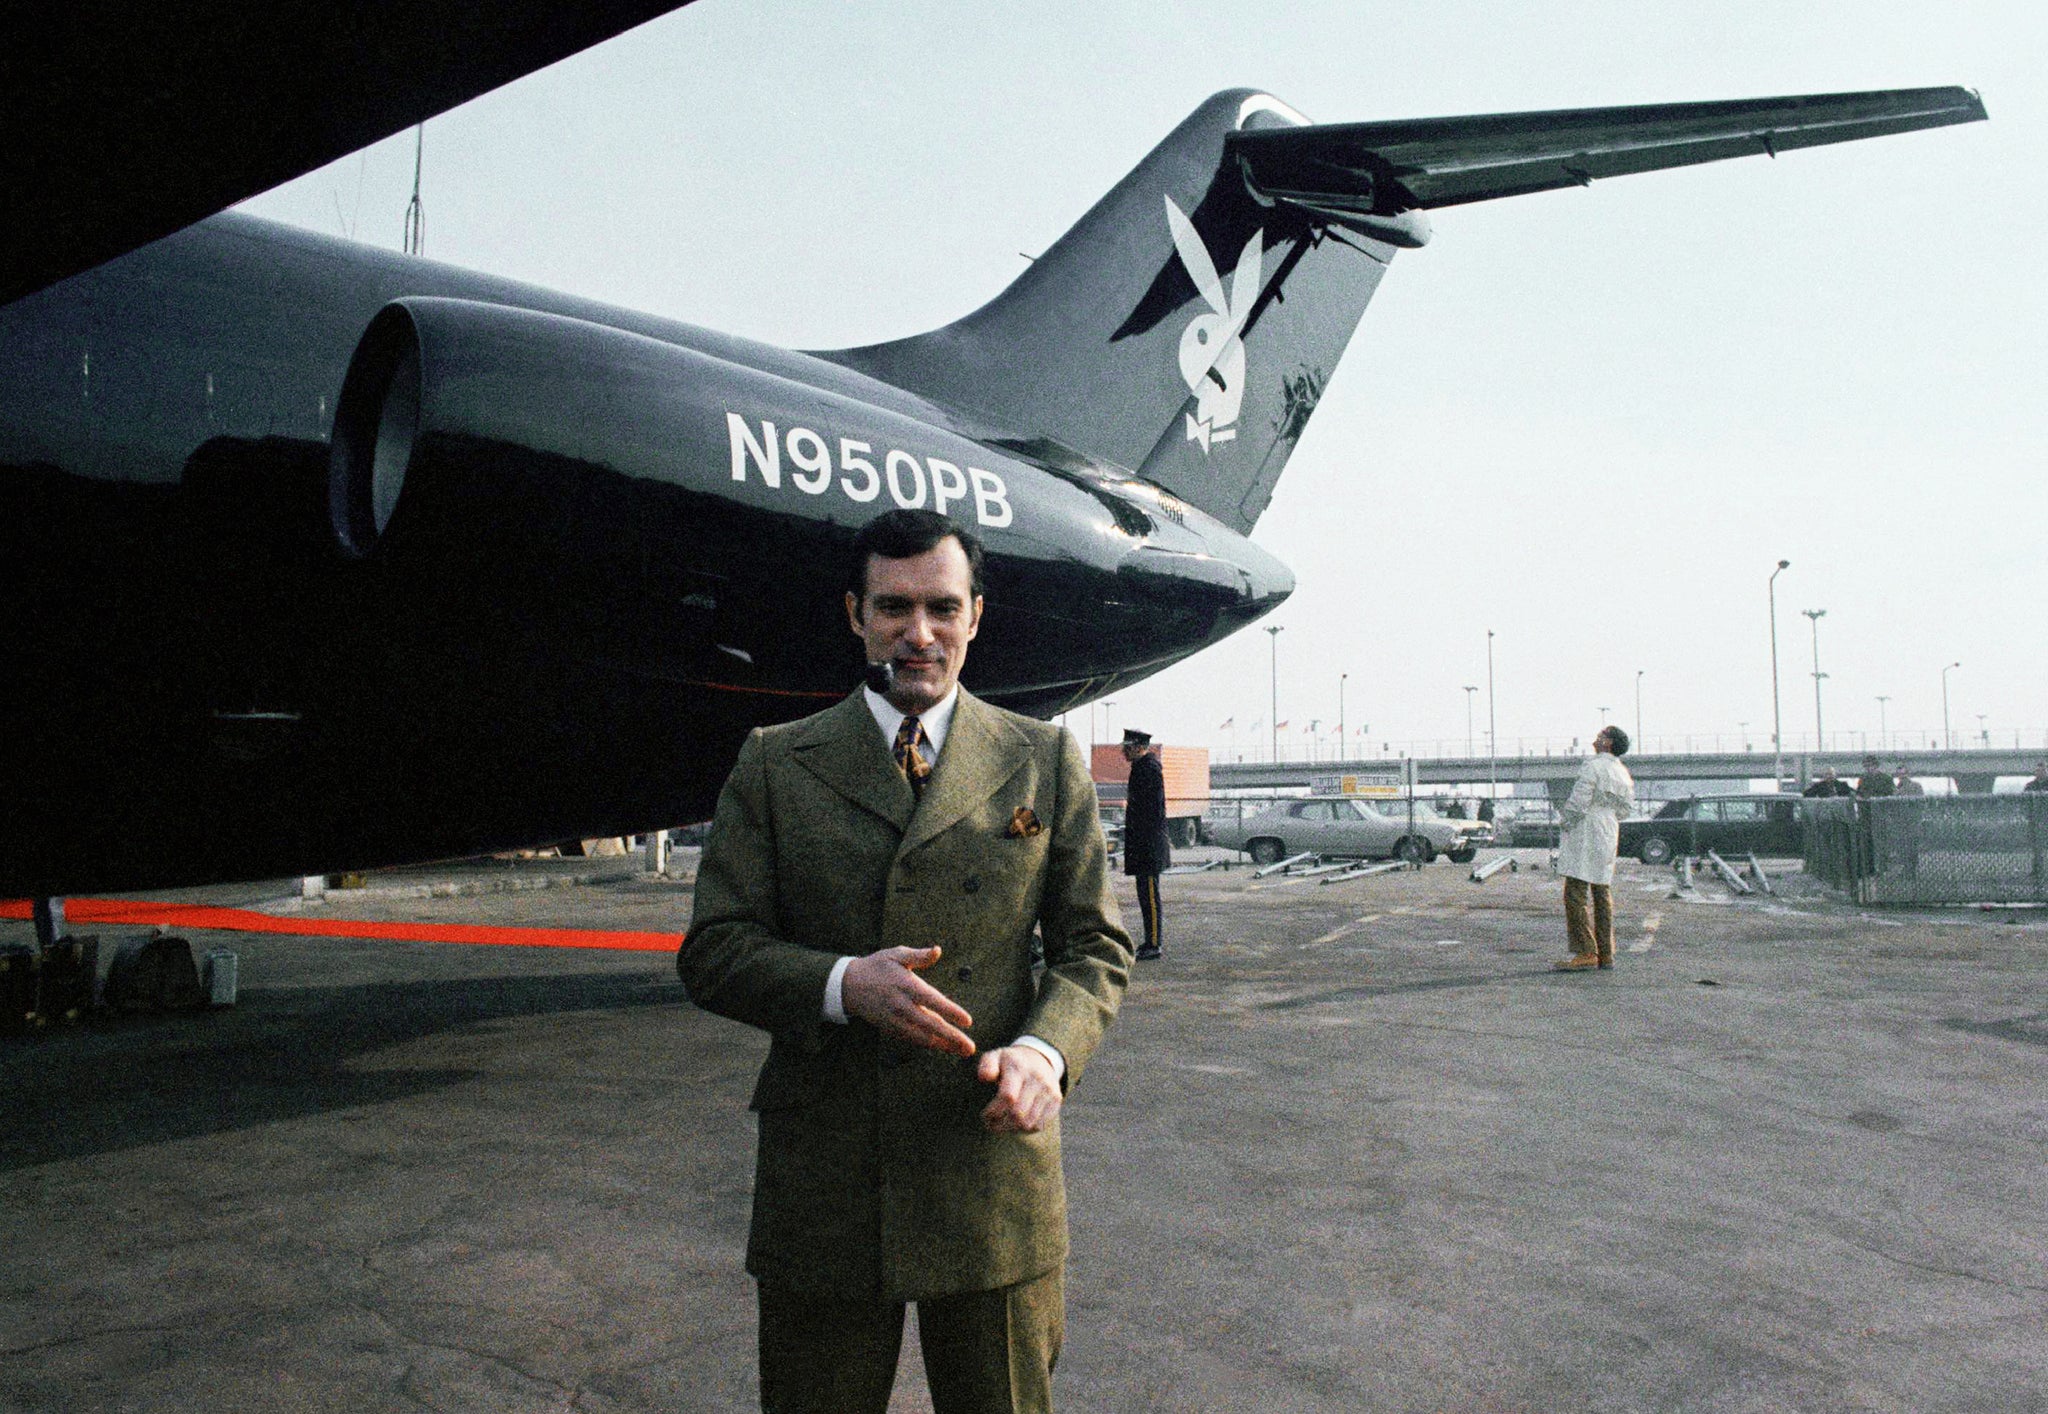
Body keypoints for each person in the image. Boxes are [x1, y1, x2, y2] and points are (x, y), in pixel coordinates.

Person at [677, 508, 1131, 1414]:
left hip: (991, 1172)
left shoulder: (1044, 759)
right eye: (893, 608)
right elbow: (715, 951)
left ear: (975, 617)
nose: (918, 634)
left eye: (941, 608)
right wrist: (842, 985)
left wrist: (1046, 1054)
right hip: (828, 1183)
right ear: (855, 615)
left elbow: (1094, 948)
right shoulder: (775, 763)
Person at [1554, 724, 1635, 972]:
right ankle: (1606, 953)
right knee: (1602, 891)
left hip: (1587, 828)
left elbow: (1578, 802)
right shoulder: (1623, 772)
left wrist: (1565, 822)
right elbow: (1626, 809)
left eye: (1601, 736)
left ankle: (1586, 951)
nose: (1596, 739)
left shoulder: (1593, 767)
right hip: (1609, 828)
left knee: (1575, 892)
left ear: (1608, 743)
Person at [1119, 728, 1171, 960]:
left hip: (1148, 845)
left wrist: (1143, 841)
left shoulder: (1148, 769)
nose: (1123, 751)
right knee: (1145, 893)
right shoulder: (1142, 768)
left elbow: (1152, 810)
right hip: (1145, 843)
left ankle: (1153, 943)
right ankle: (1150, 941)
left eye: (1127, 747)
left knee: (1149, 895)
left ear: (1139, 747)